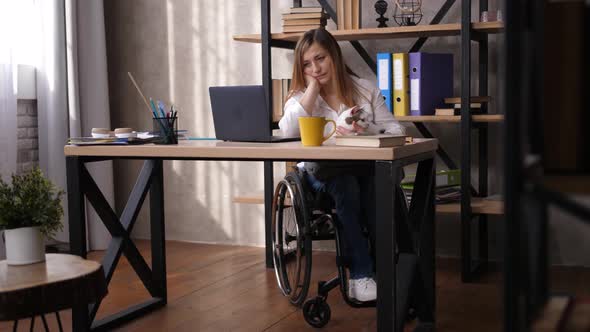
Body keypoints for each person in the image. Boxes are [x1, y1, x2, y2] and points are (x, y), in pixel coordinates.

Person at [279, 28, 406, 302]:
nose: (315, 68)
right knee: (346, 185)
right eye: (306, 64)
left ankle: (386, 270)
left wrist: (368, 129)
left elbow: (396, 130)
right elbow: (287, 130)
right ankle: (361, 275)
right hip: (320, 177)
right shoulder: (299, 96)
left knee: (376, 184)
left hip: (363, 172)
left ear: (334, 56)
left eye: (320, 58)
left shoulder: (365, 89)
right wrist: (313, 88)